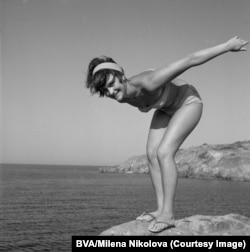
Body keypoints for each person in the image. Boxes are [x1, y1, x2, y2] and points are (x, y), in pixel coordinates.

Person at [85, 36, 249, 233]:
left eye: (111, 84)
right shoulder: (121, 96)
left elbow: (190, 59)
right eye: (105, 90)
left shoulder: (148, 82)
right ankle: (160, 209)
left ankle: (168, 215)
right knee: (151, 153)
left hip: (189, 103)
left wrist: (227, 46)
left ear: (120, 75)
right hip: (164, 107)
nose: (111, 91)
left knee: (164, 152)